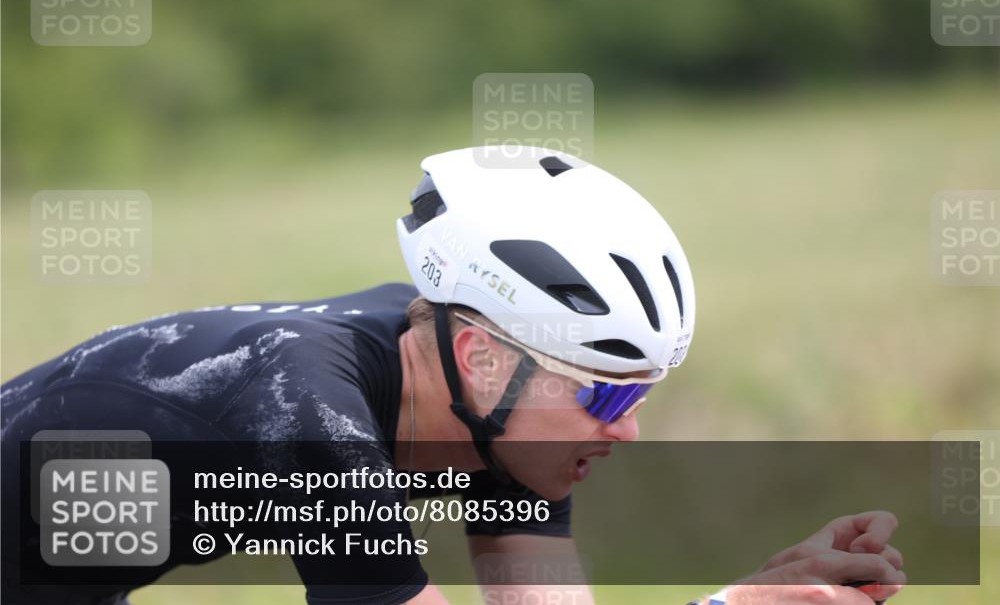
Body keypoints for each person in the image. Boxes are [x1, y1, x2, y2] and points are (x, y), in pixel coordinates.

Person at [1, 146, 904, 604]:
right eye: (605, 391)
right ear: (481, 354)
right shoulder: (307, 406)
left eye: (641, 396)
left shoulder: (498, 418)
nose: (626, 428)